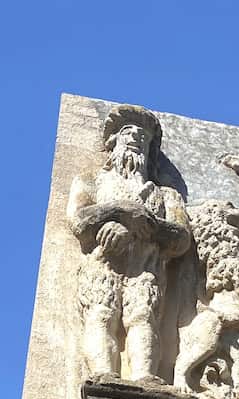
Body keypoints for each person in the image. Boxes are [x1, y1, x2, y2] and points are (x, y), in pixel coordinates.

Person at [68, 105, 190, 381]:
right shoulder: (92, 181)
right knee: (101, 315)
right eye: (128, 132)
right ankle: (103, 375)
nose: (135, 137)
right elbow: (78, 221)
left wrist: (143, 224)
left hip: (147, 266)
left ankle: (144, 377)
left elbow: (181, 237)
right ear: (113, 141)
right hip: (103, 262)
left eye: (143, 136)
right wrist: (120, 211)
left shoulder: (165, 194)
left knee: (143, 317)